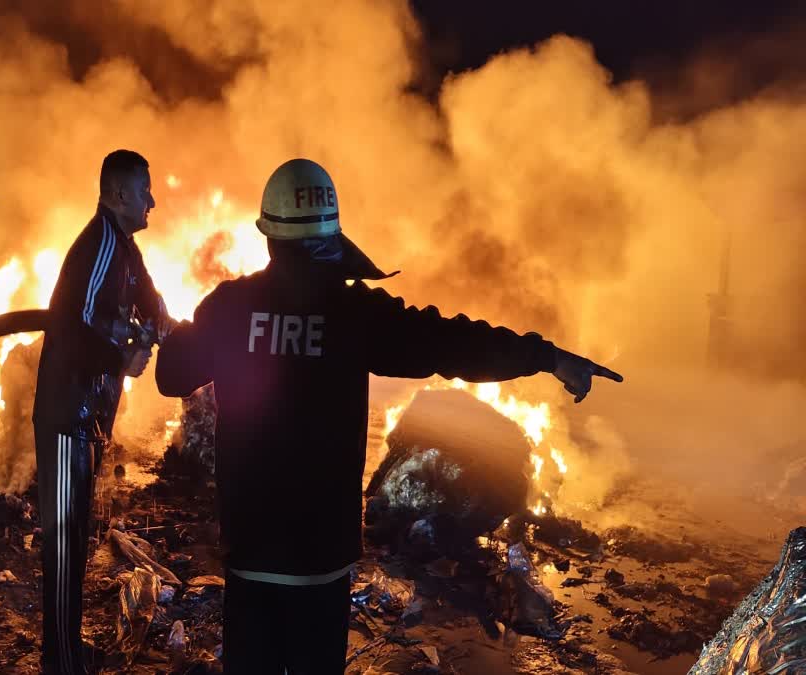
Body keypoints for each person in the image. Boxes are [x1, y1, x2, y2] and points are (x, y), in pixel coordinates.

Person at [155, 159, 623, 674]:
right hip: (321, 562)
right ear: (330, 237)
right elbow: (453, 342)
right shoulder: (356, 313)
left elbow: (171, 375)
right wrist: (548, 357)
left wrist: (179, 332)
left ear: (268, 234)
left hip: (251, 556)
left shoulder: (228, 308)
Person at [33, 149, 171, 673]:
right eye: (144, 190)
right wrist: (120, 359)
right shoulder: (100, 246)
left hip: (87, 419)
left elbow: (149, 298)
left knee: (75, 543)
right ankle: (61, 662)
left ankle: (67, 650)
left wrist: (164, 326)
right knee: (64, 548)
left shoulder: (124, 248)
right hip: (67, 418)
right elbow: (67, 329)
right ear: (118, 194)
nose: (152, 201)